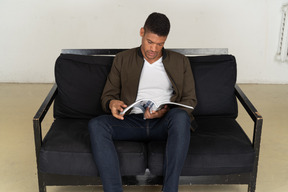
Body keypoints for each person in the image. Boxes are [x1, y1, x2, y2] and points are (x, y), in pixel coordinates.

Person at [88, 12, 197, 192]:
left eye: (160, 44)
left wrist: (165, 111)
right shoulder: (122, 59)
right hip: (132, 121)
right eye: (150, 41)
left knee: (180, 118)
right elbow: (108, 95)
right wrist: (112, 103)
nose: (154, 49)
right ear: (141, 33)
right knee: (96, 125)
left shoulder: (180, 62)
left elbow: (190, 100)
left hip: (164, 122)